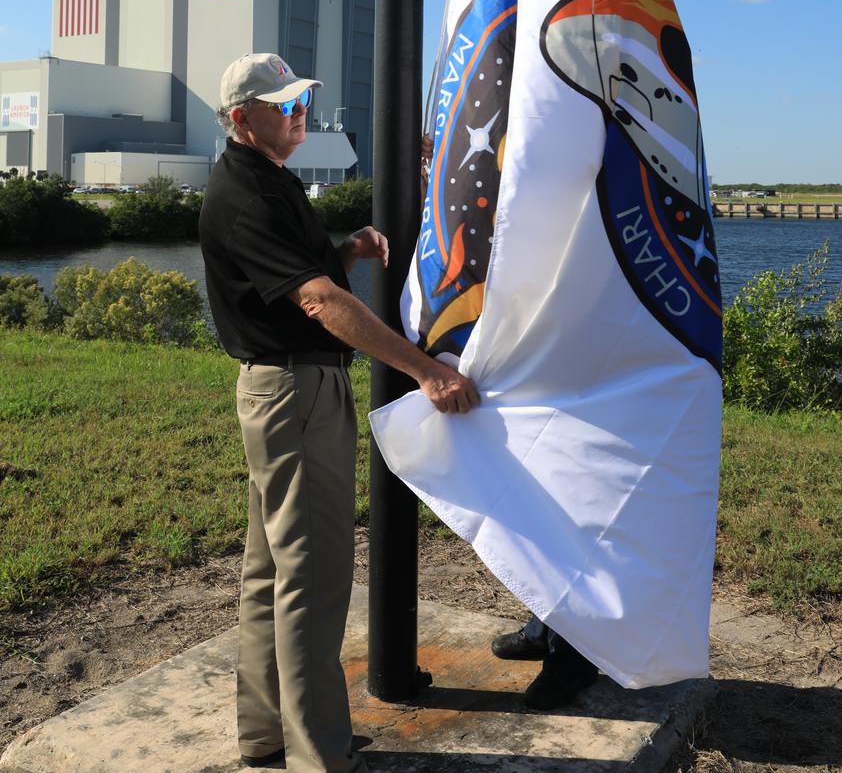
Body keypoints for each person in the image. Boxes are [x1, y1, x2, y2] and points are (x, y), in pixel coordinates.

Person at [199, 53, 479, 773]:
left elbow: (296, 269)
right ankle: (320, 754)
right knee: (314, 576)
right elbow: (317, 301)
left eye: (301, 101)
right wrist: (423, 371)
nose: (298, 113)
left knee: (271, 574)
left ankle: (269, 736)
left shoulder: (266, 179)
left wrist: (345, 247)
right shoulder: (248, 192)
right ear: (241, 117)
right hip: (295, 393)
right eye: (282, 104)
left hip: (284, 389)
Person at [421, 132, 599, 711]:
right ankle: (543, 624)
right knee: (526, 503)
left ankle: (574, 656)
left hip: (564, 364)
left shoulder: (573, 171)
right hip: (519, 364)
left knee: (566, 507)